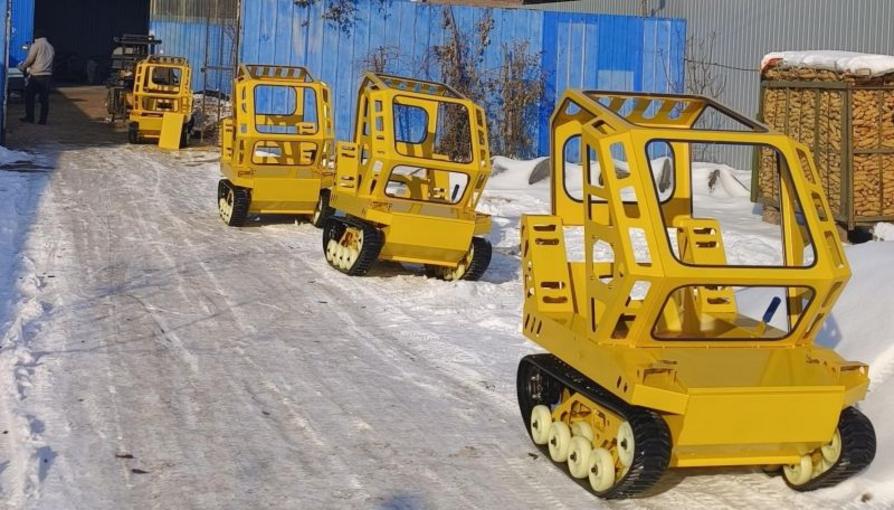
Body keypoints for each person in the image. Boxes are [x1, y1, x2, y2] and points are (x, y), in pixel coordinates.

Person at [18, 30, 55, 125]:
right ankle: (43, 120)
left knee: (29, 97)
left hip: (36, 75)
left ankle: (30, 117)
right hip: (47, 76)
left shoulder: (36, 45)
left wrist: (23, 67)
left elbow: (30, 59)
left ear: (36, 36)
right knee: (44, 99)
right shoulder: (50, 47)